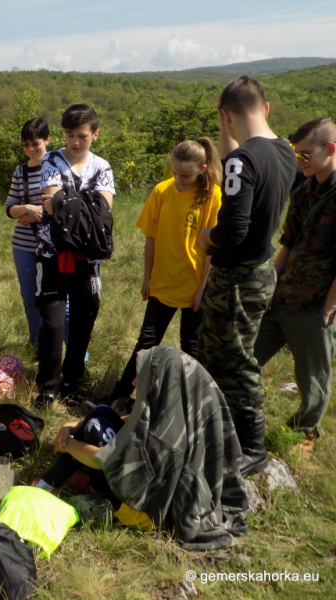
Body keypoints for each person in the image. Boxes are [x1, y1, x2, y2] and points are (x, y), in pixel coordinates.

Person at [35, 346, 249, 551]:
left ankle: (54, 486)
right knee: (103, 414)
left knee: (96, 426)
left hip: (140, 512)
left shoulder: (161, 440)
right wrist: (71, 425)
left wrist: (67, 445)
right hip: (157, 499)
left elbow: (101, 459)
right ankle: (62, 482)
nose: (136, 381)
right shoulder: (188, 405)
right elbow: (130, 419)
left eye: (143, 375)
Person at [196, 76, 297, 476]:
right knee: (213, 354)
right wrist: (225, 128)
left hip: (237, 278)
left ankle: (252, 446)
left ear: (224, 113)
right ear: (266, 108)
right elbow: (238, 167)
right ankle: (219, 431)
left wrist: (206, 239)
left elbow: (232, 229)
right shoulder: (283, 150)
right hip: (260, 269)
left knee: (236, 361)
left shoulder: (243, 161)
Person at [103, 138, 222, 403]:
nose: (179, 180)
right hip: (163, 282)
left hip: (195, 286)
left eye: (186, 175)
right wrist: (147, 278)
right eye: (175, 173)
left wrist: (203, 289)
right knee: (145, 343)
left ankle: (187, 404)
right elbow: (151, 238)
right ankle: (119, 396)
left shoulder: (213, 196)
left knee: (191, 347)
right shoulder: (162, 191)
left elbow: (214, 248)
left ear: (203, 168)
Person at [254, 116, 336, 448]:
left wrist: (329, 307)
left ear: (330, 149)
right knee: (247, 354)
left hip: (316, 303)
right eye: (296, 154)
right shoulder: (304, 190)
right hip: (285, 294)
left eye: (306, 154)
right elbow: (288, 242)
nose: (299, 161)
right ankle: (232, 411)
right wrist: (271, 285)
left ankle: (302, 433)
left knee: (311, 377)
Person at [35, 104, 115, 405]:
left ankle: (72, 380)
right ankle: (47, 386)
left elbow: (104, 209)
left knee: (83, 322)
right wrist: (85, 205)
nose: (75, 142)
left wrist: (67, 204)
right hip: (51, 254)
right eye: (70, 135)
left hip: (87, 259)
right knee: (53, 323)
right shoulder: (51, 160)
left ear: (95, 134)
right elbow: (52, 204)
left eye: (82, 136)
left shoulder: (102, 167)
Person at [5, 117, 51, 351]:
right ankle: (38, 344)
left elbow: (68, 205)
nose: (31, 149)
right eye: (26, 145)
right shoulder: (20, 171)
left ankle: (67, 347)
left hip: (54, 245)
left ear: (47, 140)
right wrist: (27, 209)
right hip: (24, 244)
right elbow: (9, 208)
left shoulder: (59, 167)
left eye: (35, 143)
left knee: (57, 300)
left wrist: (39, 213)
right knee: (30, 297)